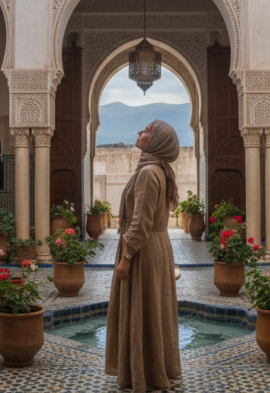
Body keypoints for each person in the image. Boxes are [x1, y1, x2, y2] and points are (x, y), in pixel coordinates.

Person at [105, 120, 182, 392]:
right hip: (155, 246)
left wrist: (126, 256)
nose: (140, 132)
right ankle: (152, 368)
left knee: (142, 309)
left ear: (158, 140)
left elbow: (140, 222)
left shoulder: (149, 172)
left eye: (147, 130)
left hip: (143, 250)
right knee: (152, 308)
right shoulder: (158, 170)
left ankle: (141, 373)